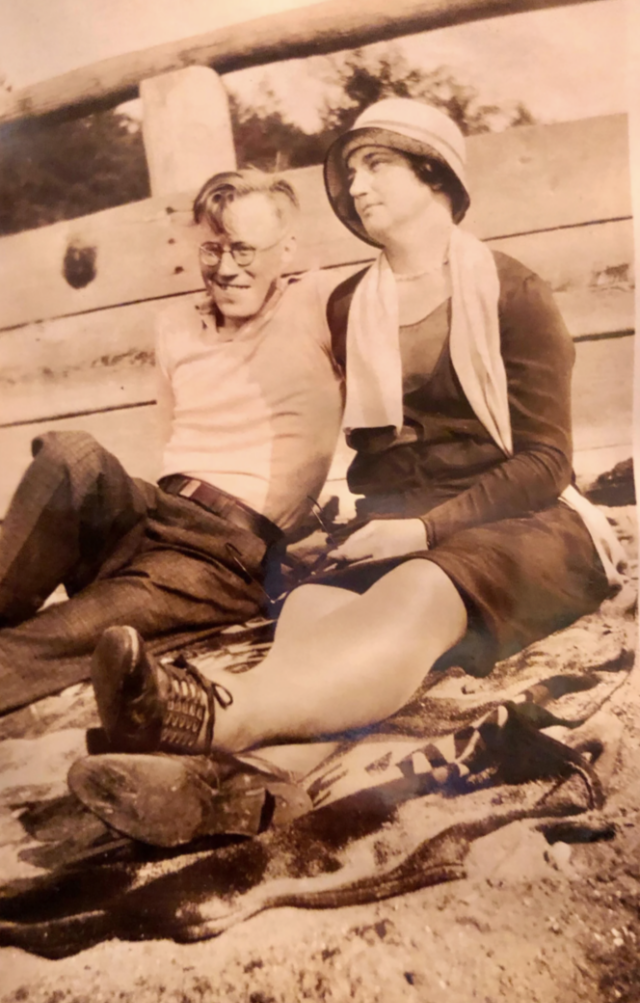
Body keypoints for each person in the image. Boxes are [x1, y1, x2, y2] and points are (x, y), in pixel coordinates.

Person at [71, 99, 626, 844]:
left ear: (435, 175)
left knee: (420, 589)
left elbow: (547, 459)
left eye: (378, 164)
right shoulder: (348, 304)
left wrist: (422, 530)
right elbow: (279, 368)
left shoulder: (512, 290)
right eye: (351, 171)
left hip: (520, 523)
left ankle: (207, 713)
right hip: (397, 524)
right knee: (309, 612)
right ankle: (230, 788)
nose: (358, 185)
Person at [0, 169, 343, 715]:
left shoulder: (320, 304)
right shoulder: (174, 324)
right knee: (72, 453)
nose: (226, 269)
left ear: (289, 248)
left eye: (246, 250)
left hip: (221, 556)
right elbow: (171, 436)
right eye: (213, 249)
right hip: (151, 514)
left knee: (48, 640)